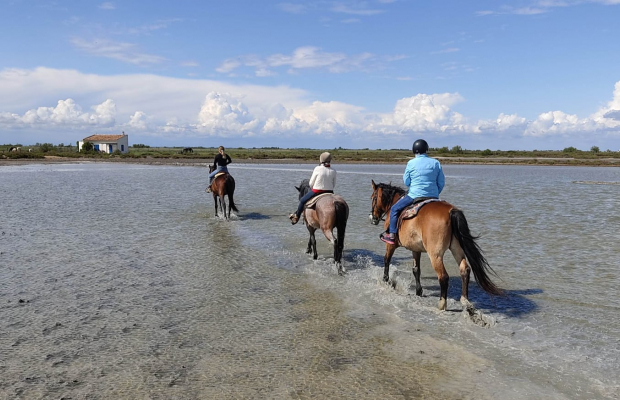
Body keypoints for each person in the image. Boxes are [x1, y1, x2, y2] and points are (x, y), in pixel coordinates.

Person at [380, 139, 445, 245]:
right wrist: (434, 193)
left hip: (414, 196)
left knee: (394, 209)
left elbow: (406, 181)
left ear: (414, 150)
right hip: (433, 196)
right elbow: (441, 182)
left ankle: (391, 235)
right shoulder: (436, 163)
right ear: (426, 149)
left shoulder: (411, 163)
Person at [289, 152, 337, 225]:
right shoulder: (333, 170)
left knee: (302, 200)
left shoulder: (317, 168)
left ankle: (296, 217)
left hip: (317, 191)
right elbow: (333, 184)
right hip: (330, 192)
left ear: (321, 160)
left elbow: (311, 183)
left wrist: (313, 188)